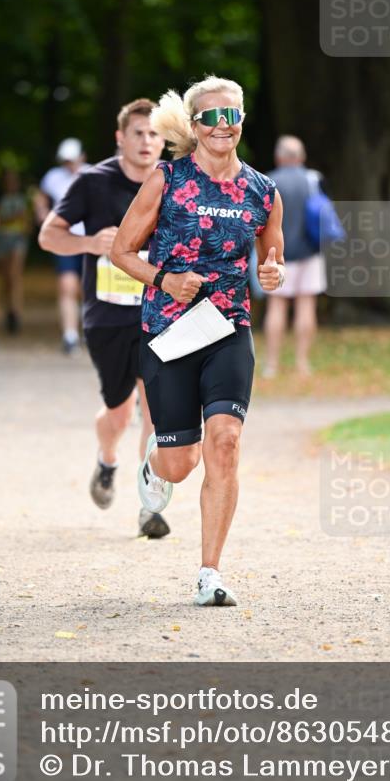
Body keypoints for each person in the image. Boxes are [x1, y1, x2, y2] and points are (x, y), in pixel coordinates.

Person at [111, 75, 285, 606]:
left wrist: (274, 273)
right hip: (169, 331)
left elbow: (271, 258)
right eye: (210, 117)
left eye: (230, 115)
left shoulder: (263, 191)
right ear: (193, 125)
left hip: (228, 327)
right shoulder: (167, 178)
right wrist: (165, 280)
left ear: (242, 121)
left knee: (226, 443)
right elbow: (121, 251)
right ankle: (154, 462)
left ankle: (210, 572)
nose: (221, 125)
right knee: (180, 464)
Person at [39, 100, 169, 538]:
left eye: (154, 133)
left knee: (156, 410)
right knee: (119, 412)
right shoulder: (93, 182)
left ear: (164, 139)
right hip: (108, 316)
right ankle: (107, 457)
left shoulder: (176, 181)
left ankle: (151, 505)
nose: (147, 141)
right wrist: (92, 244)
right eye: (138, 133)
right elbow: (49, 236)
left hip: (161, 312)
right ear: (120, 137)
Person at [262, 135, 327, 378]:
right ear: (301, 157)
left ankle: (271, 365)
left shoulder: (268, 182)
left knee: (276, 307)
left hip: (277, 254)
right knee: (306, 306)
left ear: (279, 157)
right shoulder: (313, 179)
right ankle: (302, 364)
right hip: (310, 252)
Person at [34, 138, 90, 353]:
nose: (69, 164)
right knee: (67, 286)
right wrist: (43, 214)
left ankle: (89, 330)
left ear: (81, 157)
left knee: (88, 288)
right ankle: (70, 335)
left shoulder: (93, 173)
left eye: (72, 160)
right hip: (65, 238)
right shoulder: (53, 177)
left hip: (89, 239)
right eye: (66, 160)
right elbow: (41, 198)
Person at [0, 168, 32, 334]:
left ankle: (16, 313)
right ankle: (8, 311)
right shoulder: (1, 201)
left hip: (16, 241)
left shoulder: (23, 200)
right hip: (2, 241)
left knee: (15, 277)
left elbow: (27, 225)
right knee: (6, 280)